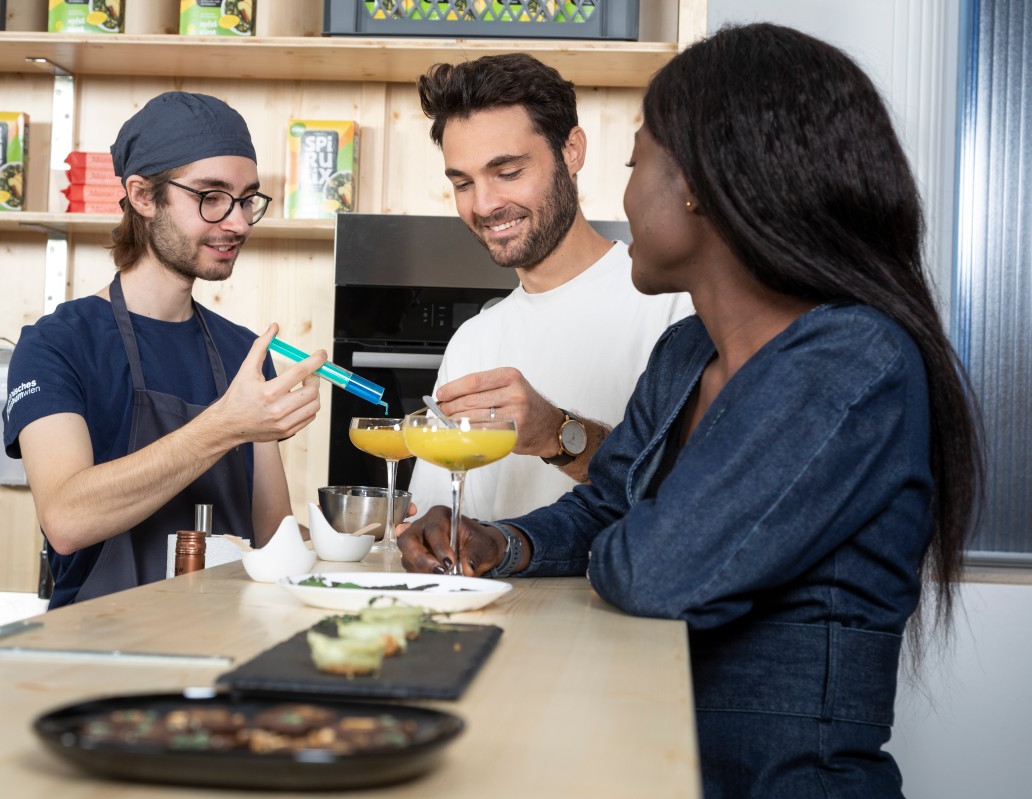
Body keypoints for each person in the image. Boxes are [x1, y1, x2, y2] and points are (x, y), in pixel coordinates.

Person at [399, 24, 984, 799]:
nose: (626, 194)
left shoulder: (851, 359)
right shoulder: (686, 352)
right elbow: (606, 502)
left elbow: (657, 568)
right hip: (655, 763)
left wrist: (621, 526)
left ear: (703, 183)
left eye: (637, 162)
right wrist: (498, 543)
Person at [3, 92, 324, 608]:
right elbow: (66, 519)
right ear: (143, 196)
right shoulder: (58, 344)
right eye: (211, 197)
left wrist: (360, 539)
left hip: (227, 645)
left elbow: (272, 538)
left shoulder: (244, 351)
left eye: (246, 199)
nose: (238, 222)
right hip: (101, 652)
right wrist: (225, 427)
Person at [406, 53, 692, 521]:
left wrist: (556, 432)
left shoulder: (673, 306)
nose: (484, 205)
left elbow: (696, 497)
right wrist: (428, 534)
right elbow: (441, 514)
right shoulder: (474, 342)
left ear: (572, 150)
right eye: (462, 183)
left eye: (509, 172)